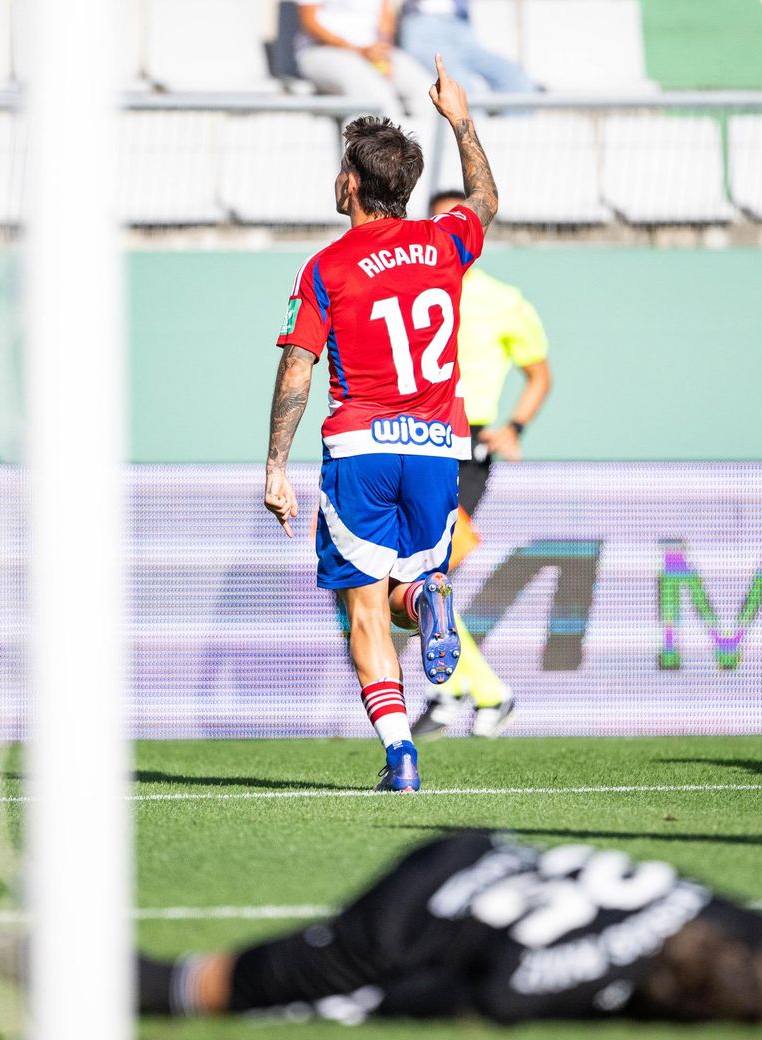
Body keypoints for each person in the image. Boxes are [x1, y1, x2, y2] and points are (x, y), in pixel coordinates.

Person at [0, 831, 762, 1032]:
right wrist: (344, 998)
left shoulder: (700, 912)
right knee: (194, 989)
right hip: (401, 921)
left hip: (468, 854)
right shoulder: (565, 981)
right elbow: (471, 995)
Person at [262, 57, 499, 792]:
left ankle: (401, 754)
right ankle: (427, 596)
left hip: (361, 446)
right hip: (437, 449)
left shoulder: (327, 267)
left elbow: (299, 368)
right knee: (407, 592)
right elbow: (486, 200)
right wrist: (460, 118)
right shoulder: (446, 241)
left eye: (342, 171)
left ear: (354, 184)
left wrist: (275, 464)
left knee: (362, 609)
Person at [413, 188, 552, 740]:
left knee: (428, 573)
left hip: (464, 448)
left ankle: (476, 691)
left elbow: (539, 372)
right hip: (415, 439)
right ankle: (463, 691)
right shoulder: (414, 289)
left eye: (459, 223)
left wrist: (514, 427)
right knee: (419, 576)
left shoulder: (502, 299)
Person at [296, 0, 435, 117]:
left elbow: (386, 19)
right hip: (323, 51)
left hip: (372, 53)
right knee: (377, 95)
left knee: (429, 92)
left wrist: (382, 56)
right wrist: (357, 51)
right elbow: (310, 22)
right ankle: (385, 148)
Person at [398, 1, 537, 94]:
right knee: (461, 87)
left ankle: (508, 136)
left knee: (515, 79)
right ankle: (474, 137)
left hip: (460, 26)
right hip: (421, 26)